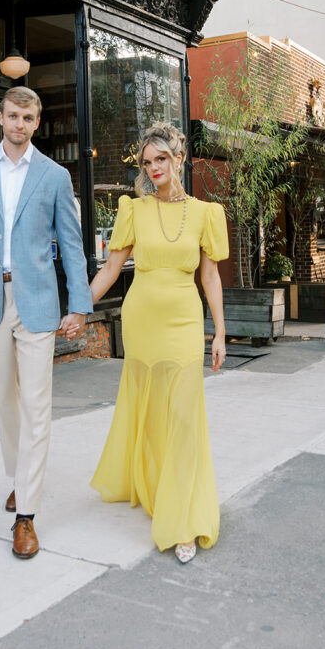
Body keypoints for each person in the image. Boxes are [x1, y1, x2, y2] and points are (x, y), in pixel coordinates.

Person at [0, 86, 92, 559]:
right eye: (12, 115)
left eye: (28, 118)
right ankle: (19, 474)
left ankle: (26, 514)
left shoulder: (54, 176)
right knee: (4, 403)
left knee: (36, 405)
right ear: (0, 117)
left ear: (36, 122)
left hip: (37, 302)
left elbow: (71, 245)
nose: (19, 124)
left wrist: (79, 303)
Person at [88, 123, 228, 564]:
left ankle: (182, 517)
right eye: (147, 163)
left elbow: (209, 275)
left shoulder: (206, 213)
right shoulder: (134, 209)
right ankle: (153, 486)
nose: (153, 169)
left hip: (185, 320)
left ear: (178, 159)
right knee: (150, 411)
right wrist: (75, 307)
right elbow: (112, 270)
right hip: (143, 317)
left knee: (184, 416)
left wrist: (219, 330)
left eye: (160, 160)